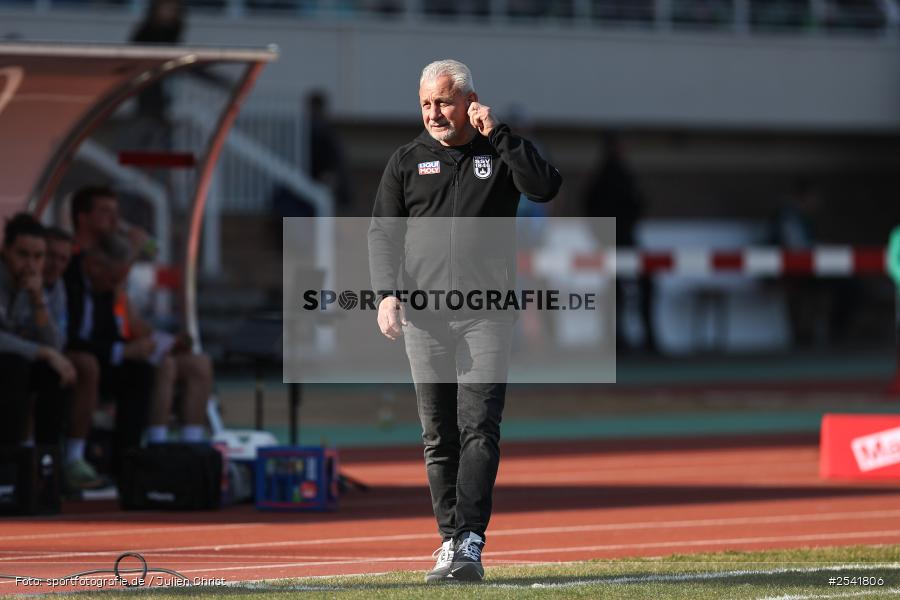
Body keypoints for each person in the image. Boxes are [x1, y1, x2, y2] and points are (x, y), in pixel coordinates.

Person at [368, 59, 561, 583]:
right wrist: (386, 295)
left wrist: (498, 133)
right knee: (438, 435)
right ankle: (449, 541)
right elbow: (383, 234)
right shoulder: (406, 161)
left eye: (444, 101)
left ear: (469, 101)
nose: (434, 112)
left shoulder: (497, 152)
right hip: (425, 320)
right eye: (426, 103)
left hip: (486, 316)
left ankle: (470, 541)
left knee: (480, 427)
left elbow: (545, 187)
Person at [63, 234, 155, 480]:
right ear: (94, 265)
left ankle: (128, 460)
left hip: (99, 357)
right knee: (88, 365)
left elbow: (111, 334)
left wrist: (133, 348)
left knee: (140, 370)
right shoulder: (68, 279)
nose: (117, 284)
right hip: (70, 357)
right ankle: (74, 457)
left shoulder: (106, 287)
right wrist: (121, 350)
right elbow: (67, 337)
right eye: (114, 278)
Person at [0, 214, 75, 447]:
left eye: (38, 257)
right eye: (22, 255)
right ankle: (7, 467)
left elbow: (57, 346)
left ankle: (46, 464)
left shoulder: (49, 285)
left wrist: (38, 302)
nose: (31, 265)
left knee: (56, 374)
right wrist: (41, 351)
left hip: (20, 361)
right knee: (15, 366)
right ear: (5, 251)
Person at [582, 132, 657, 354]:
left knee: (631, 288)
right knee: (616, 292)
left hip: (621, 239)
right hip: (615, 240)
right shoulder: (606, 175)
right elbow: (596, 208)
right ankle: (621, 341)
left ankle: (632, 339)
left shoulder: (611, 173)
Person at [43, 226, 104, 489]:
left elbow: (58, 340)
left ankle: (72, 459)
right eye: (50, 256)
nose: (55, 265)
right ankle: (25, 459)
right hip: (24, 359)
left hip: (48, 356)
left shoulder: (58, 288)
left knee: (81, 366)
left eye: (63, 259)